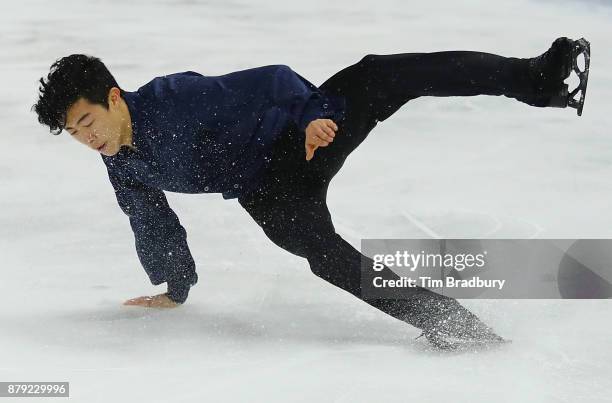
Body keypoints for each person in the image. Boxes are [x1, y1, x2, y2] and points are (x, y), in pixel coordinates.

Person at [32, 36, 588, 349]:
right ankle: (457, 326)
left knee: (376, 75)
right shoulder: (122, 166)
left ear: (113, 97)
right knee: (325, 257)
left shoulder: (174, 100)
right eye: (75, 134)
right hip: (267, 193)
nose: (88, 139)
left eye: (88, 121)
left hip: (299, 137)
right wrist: (176, 287)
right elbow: (151, 222)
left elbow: (270, 80)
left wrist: (312, 116)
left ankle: (537, 80)